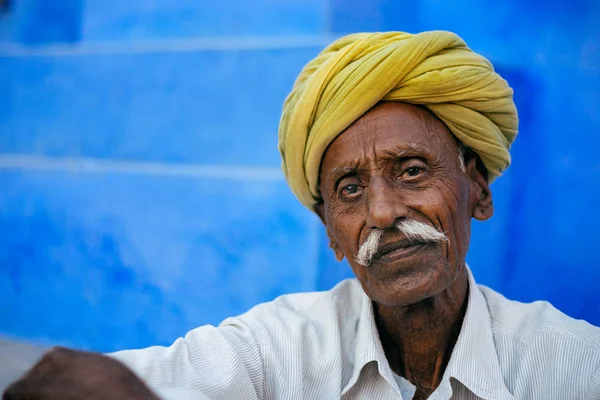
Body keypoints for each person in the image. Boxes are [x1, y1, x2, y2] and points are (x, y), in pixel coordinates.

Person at [4, 30, 600, 400]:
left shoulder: (575, 365)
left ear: (479, 191)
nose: (385, 212)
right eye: (348, 189)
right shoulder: (275, 351)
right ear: (331, 235)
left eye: (413, 171)